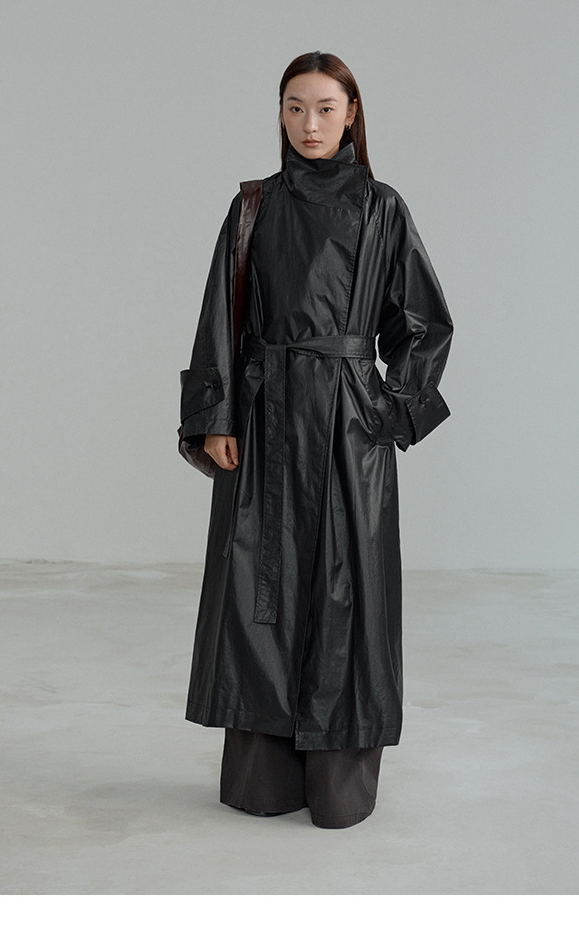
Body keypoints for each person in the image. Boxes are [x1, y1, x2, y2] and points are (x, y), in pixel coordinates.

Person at [179, 51, 453, 829]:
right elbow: (222, 315)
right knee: (258, 589)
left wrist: (385, 409)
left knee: (345, 592)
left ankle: (338, 782)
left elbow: (424, 323)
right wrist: (216, 417)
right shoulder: (253, 207)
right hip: (265, 419)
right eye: (295, 107)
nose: (310, 123)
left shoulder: (381, 207)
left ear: (352, 114)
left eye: (326, 108)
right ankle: (264, 778)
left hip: (346, 425)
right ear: (279, 113)